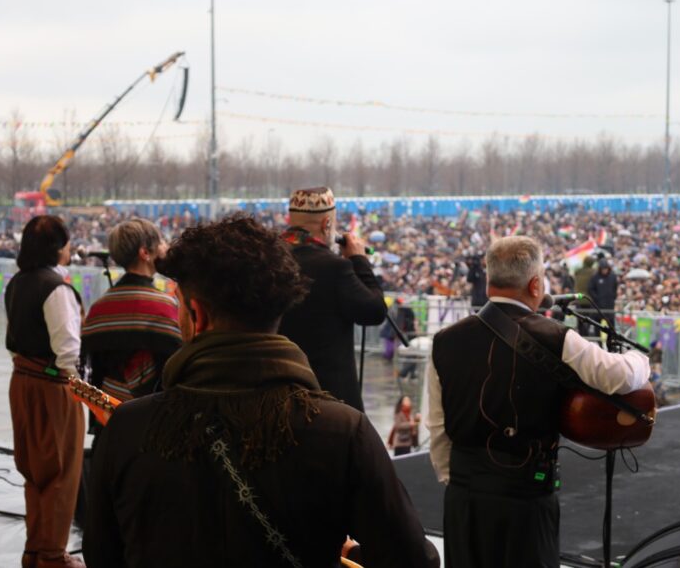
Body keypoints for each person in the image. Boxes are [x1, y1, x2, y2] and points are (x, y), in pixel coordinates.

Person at [84, 215, 438, 567]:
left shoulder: (128, 428)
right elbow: (413, 559)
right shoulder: (343, 431)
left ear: (196, 315)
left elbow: (102, 554)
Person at [426, 236, 650, 568]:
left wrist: (460, 481)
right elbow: (622, 377)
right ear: (535, 284)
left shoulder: (443, 341)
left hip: (464, 499)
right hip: (525, 501)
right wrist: (639, 358)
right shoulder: (556, 337)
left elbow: (438, 429)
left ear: (489, 281)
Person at [4, 216, 85, 568]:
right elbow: (67, 350)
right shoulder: (57, 288)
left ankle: (35, 550)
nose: (69, 249)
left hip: (20, 380)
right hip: (52, 386)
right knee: (61, 472)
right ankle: (52, 555)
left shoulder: (17, 283)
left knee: (34, 470)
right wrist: (77, 385)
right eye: (65, 242)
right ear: (56, 247)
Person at [278, 187, 388, 411]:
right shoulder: (334, 267)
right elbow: (375, 311)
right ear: (327, 224)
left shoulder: (269, 258)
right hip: (329, 400)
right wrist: (359, 260)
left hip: (278, 395)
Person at [81, 219, 181, 421]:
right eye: (160, 242)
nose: (164, 246)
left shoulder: (99, 308)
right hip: (152, 415)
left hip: (110, 414)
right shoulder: (166, 305)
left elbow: (92, 368)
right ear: (145, 253)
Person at [587, 259, 619, 328]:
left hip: (609, 306)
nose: (604, 270)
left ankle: (610, 339)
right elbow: (590, 289)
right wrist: (597, 298)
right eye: (603, 269)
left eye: (606, 269)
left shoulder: (613, 277)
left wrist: (613, 296)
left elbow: (615, 287)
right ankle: (598, 339)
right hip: (598, 306)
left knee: (611, 327)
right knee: (597, 326)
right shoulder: (595, 277)